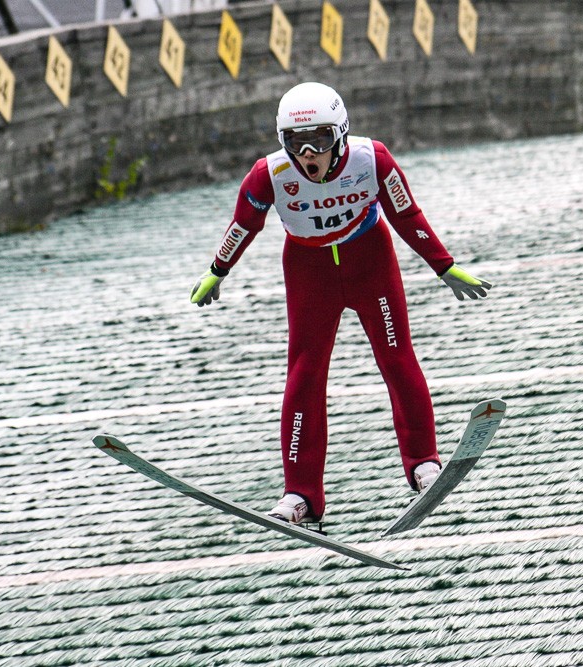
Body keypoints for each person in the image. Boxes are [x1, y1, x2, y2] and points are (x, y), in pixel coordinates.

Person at [190, 82, 490, 525]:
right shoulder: (269, 174)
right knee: (305, 374)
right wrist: (218, 269)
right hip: (309, 272)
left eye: (321, 139)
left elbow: (406, 214)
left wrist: (444, 265)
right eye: (296, 142)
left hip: (370, 262)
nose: (308, 154)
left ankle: (424, 463)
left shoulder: (372, 159)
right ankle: (301, 494)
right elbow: (244, 224)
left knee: (396, 356)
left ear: (342, 133)